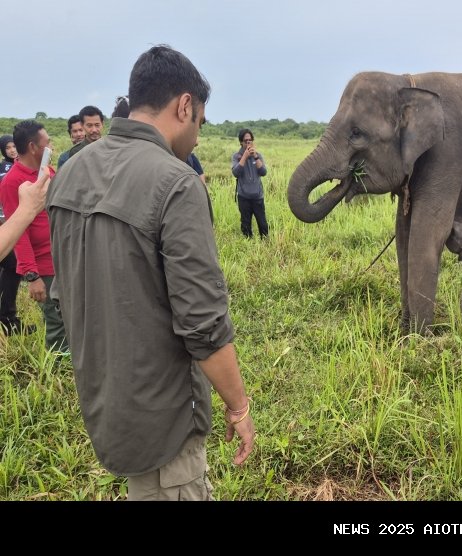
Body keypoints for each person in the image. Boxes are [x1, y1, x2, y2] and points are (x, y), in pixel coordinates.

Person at [48, 44, 255, 501]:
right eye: (199, 121)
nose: (198, 137)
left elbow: (64, 293)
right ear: (184, 106)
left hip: (106, 403)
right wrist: (239, 408)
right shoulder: (176, 183)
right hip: (166, 418)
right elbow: (203, 325)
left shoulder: (70, 172)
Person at [0, 121, 68, 350]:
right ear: (33, 147)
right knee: (56, 319)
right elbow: (17, 233)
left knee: (69, 314)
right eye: (47, 142)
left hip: (61, 256)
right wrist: (32, 276)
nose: (51, 146)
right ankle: (58, 368)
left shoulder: (47, 171)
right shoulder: (13, 181)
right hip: (43, 266)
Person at [1, 136, 37, 335]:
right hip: (8, 226)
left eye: (14, 146)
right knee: (12, 266)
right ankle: (7, 319)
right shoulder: (6, 172)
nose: (12, 150)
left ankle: (7, 318)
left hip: (8, 226)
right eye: (8, 147)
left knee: (12, 267)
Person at [231, 129, 268, 238]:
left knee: (263, 224)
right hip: (244, 197)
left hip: (257, 196)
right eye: (245, 140)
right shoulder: (236, 156)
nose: (248, 143)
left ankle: (266, 244)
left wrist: (255, 157)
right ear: (241, 142)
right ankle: (248, 246)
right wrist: (244, 157)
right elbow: (236, 173)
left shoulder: (258, 155)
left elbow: (263, 172)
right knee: (246, 225)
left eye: (250, 140)